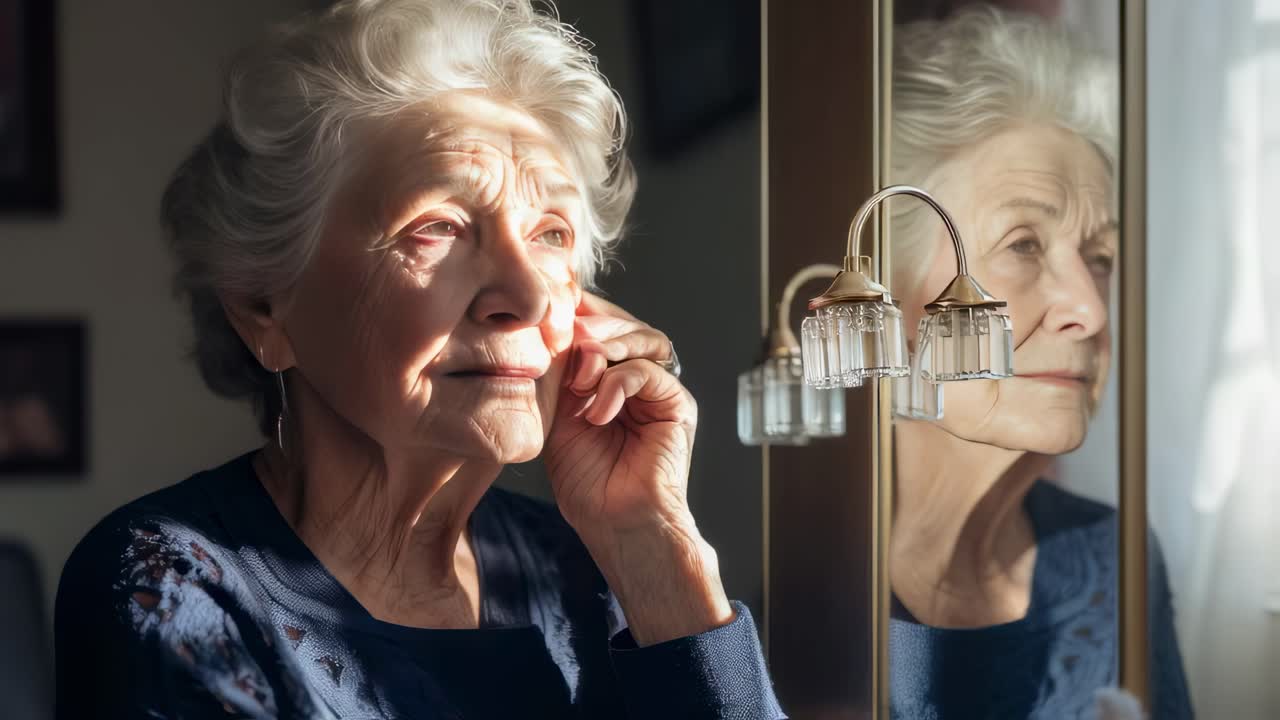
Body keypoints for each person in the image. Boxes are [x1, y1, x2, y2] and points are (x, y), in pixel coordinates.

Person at [53, 1, 784, 718]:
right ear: (264, 307)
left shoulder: (589, 565)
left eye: (552, 234)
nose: (526, 295)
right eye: (438, 225)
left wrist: (654, 553)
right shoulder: (172, 582)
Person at [885, 7, 1191, 719]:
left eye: (1102, 258)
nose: (1090, 308)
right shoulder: (793, 611)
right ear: (887, 300)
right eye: (1023, 245)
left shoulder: (1114, 558)